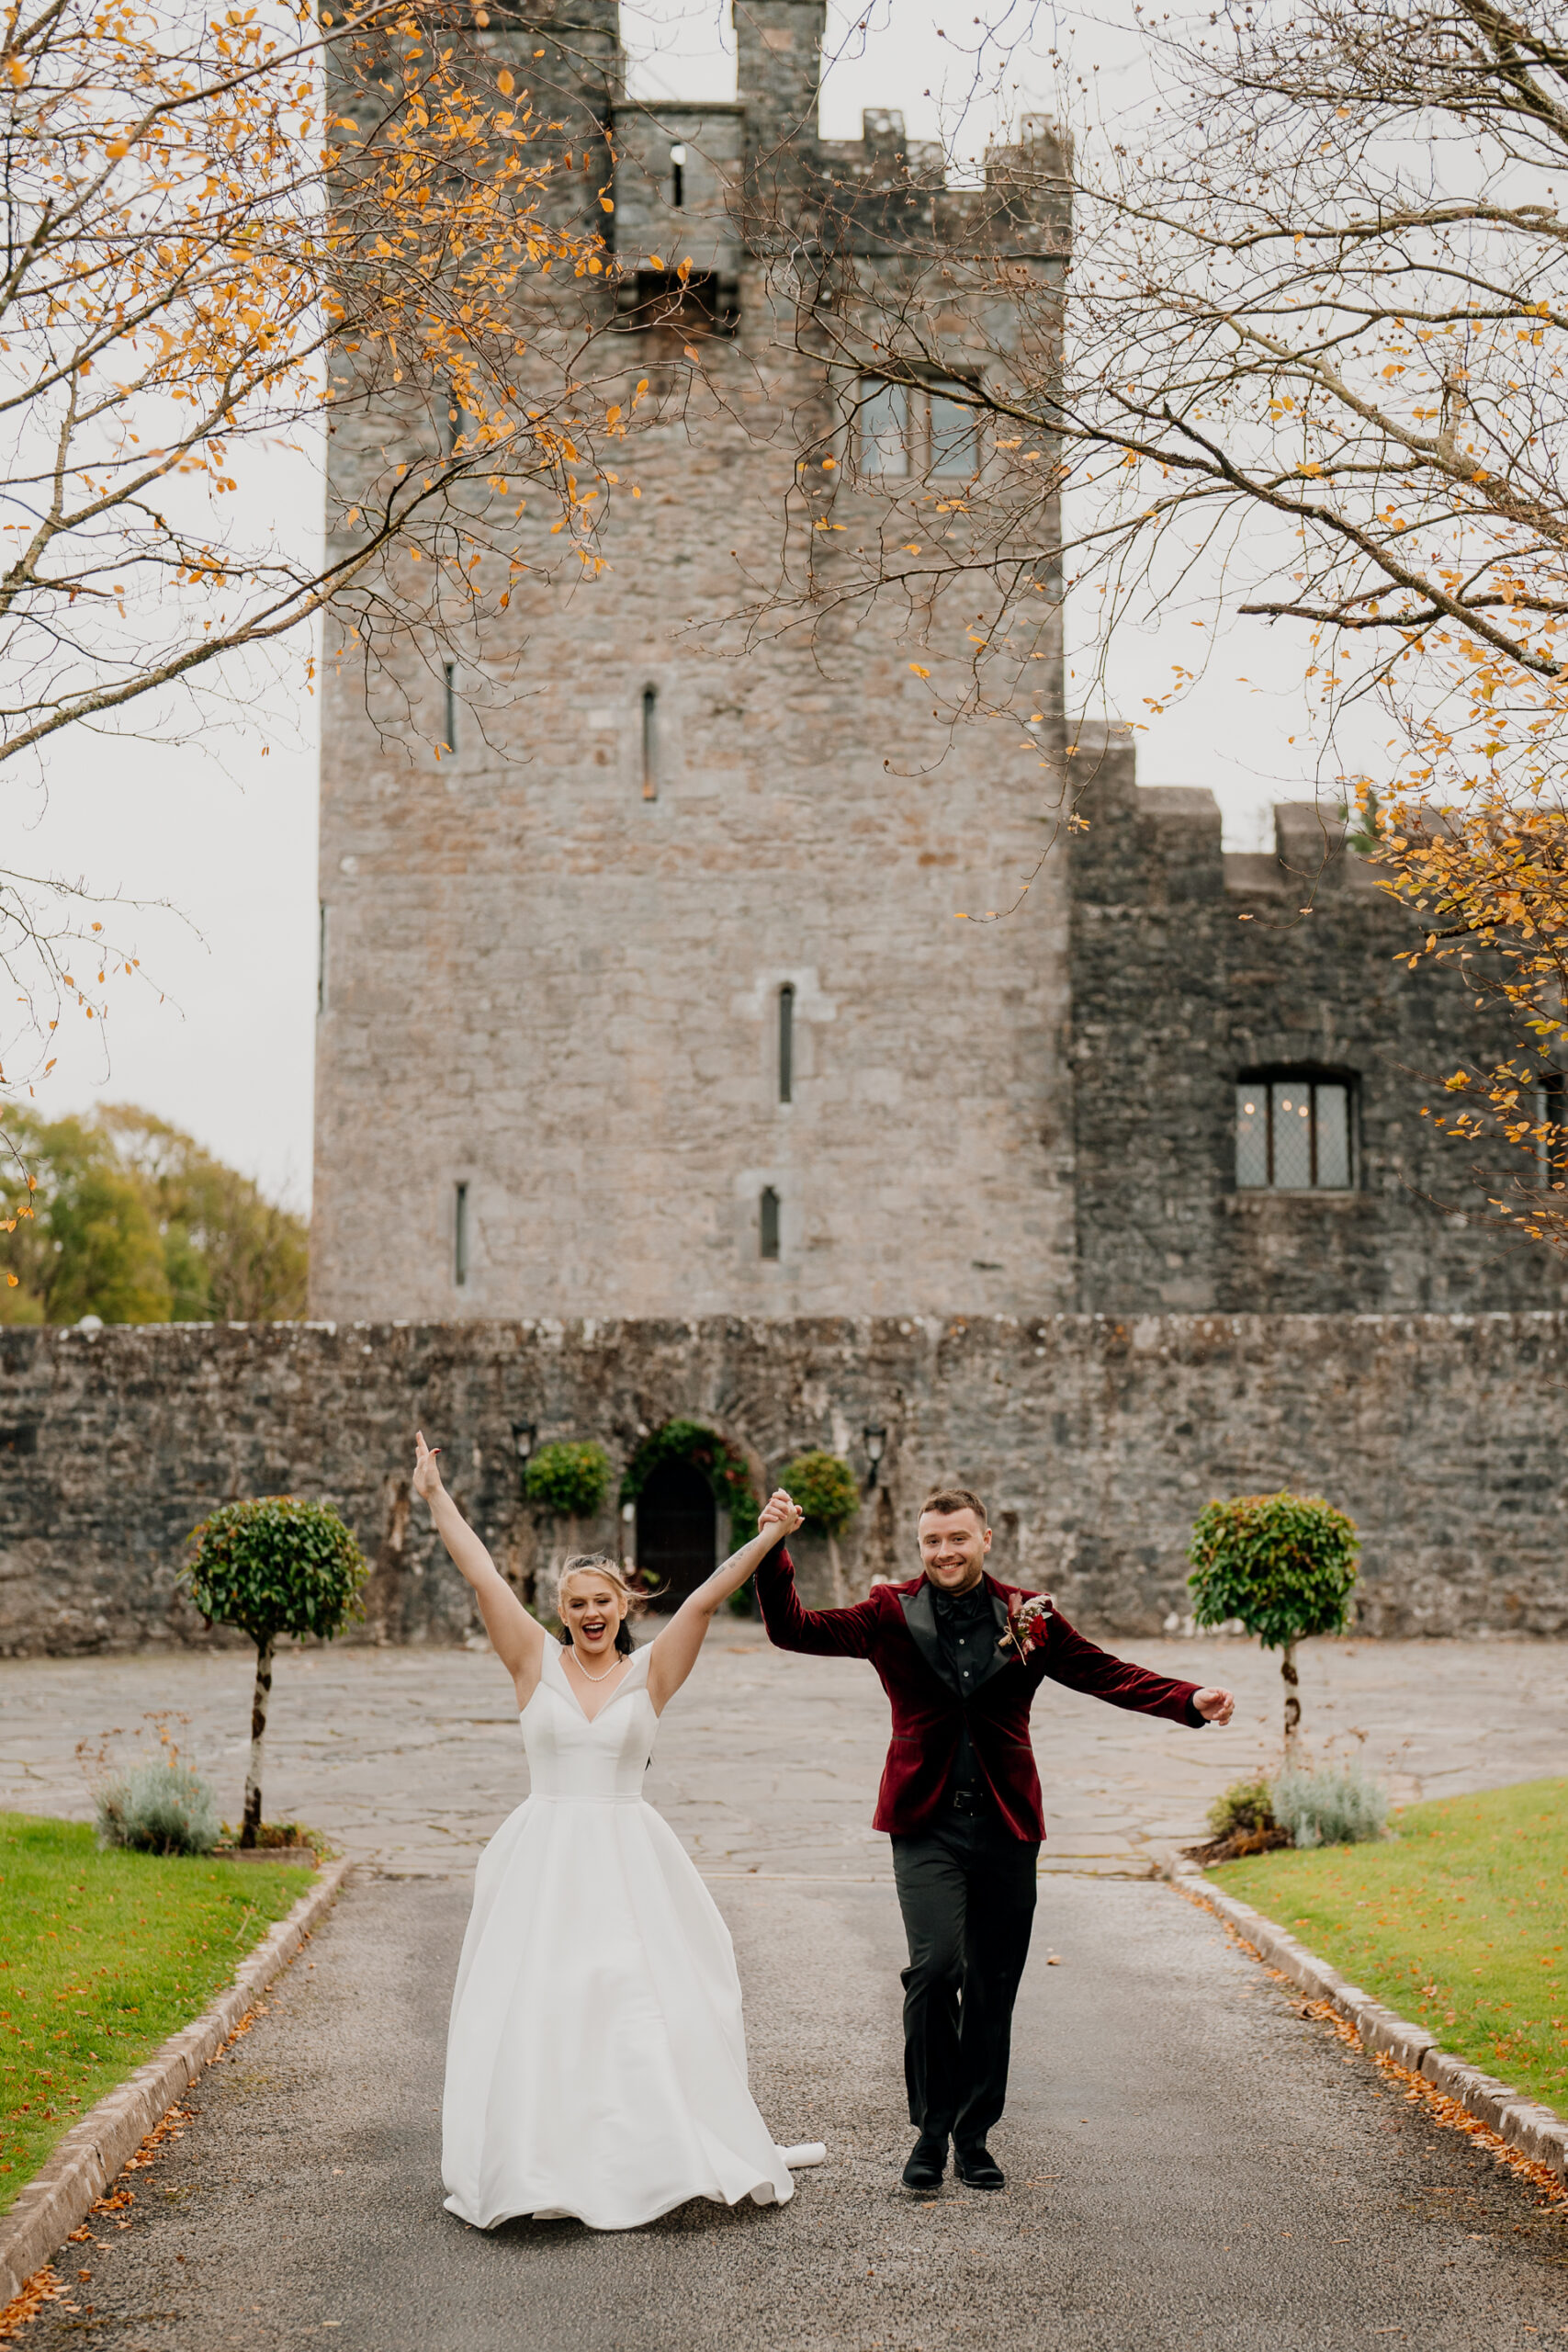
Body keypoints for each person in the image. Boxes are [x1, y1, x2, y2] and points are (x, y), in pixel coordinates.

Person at [755, 1485, 1235, 2195]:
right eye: (931, 1542)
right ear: (920, 1548)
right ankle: (929, 2130)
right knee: (934, 1971)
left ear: (984, 1540)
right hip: (925, 1822)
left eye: (956, 1539)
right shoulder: (888, 1612)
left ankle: (973, 2138)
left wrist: (1185, 1699)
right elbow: (793, 1629)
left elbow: (1104, 1673)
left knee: (990, 1988)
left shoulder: (1029, 1617)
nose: (944, 1552)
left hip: (1008, 1825)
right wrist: (773, 1550)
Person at [412, 1432, 824, 2232]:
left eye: (603, 1602)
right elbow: (481, 1573)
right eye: (576, 1604)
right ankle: (540, 2159)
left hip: (630, 1860)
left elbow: (704, 1598)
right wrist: (434, 1494)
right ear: (561, 1613)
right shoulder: (531, 1661)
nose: (591, 1614)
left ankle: (646, 2150)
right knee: (545, 2006)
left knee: (635, 2004)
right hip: (545, 1861)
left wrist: (769, 1534)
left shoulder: (651, 1673)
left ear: (625, 1607)